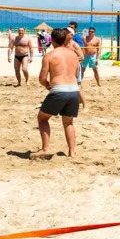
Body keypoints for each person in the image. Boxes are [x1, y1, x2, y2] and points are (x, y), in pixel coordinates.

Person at [34, 28, 81, 158]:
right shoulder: (74, 55)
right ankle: (72, 152)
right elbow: (76, 74)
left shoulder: (49, 56)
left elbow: (42, 78)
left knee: (42, 119)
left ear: (52, 40)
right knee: (68, 123)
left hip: (59, 90)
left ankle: (45, 148)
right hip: (74, 90)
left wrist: (47, 85)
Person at [64, 27, 86, 109]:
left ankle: (85, 105)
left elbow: (81, 57)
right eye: (64, 32)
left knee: (78, 85)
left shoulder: (74, 44)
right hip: (65, 67)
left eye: (67, 32)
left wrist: (71, 61)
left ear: (72, 35)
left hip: (75, 67)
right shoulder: (62, 44)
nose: (65, 33)